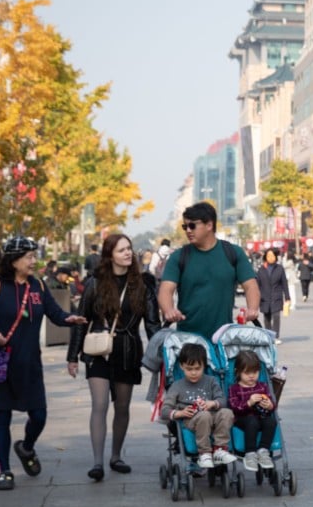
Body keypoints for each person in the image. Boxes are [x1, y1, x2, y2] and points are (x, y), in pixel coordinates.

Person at [0, 236, 88, 491]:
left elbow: (54, 313)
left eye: (34, 256)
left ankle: (26, 447)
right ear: (14, 261)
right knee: (1, 418)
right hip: (2, 364)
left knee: (39, 415)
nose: (34, 261)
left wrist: (69, 318)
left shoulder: (37, 286)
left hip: (30, 365)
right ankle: (4, 471)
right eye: (29, 257)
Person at [67, 233, 162, 481]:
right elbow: (81, 320)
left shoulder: (143, 284)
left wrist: (163, 351)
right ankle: (97, 463)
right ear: (110, 256)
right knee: (99, 405)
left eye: (129, 249)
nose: (128, 253)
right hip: (98, 351)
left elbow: (153, 324)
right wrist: (72, 356)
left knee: (122, 407)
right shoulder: (95, 283)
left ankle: (115, 456)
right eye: (122, 250)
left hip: (128, 351)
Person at [157, 202, 260, 342]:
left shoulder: (233, 253)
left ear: (209, 225)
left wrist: (252, 309)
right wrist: (168, 310)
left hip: (224, 338)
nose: (188, 230)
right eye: (185, 226)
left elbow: (250, 285)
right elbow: (166, 290)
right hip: (188, 341)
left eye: (192, 225)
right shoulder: (179, 257)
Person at [160, 342, 236, 469]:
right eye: (189, 369)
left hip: (211, 416)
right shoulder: (177, 386)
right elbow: (165, 410)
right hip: (190, 420)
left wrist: (212, 403)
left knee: (227, 412)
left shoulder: (211, 381)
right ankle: (204, 452)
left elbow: (223, 400)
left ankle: (220, 449)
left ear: (204, 366)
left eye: (197, 369)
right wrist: (180, 413)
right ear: (182, 366)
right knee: (204, 416)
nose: (193, 373)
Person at [227, 350, 277, 472]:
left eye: (255, 372)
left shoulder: (262, 386)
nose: (251, 376)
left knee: (271, 421)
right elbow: (234, 407)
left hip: (261, 416)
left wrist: (269, 405)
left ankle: (263, 450)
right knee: (251, 420)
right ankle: (250, 453)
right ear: (238, 372)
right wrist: (249, 403)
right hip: (242, 418)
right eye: (247, 373)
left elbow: (272, 403)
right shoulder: (234, 389)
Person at [255, 248, 290, 344]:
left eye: (272, 256)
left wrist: (287, 297)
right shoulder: (261, 269)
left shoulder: (279, 268)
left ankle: (276, 336)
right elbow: (257, 284)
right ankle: (269, 336)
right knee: (267, 317)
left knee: (276, 316)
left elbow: (284, 283)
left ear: (276, 257)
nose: (270, 257)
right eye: (268, 256)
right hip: (264, 297)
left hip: (276, 296)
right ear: (265, 257)